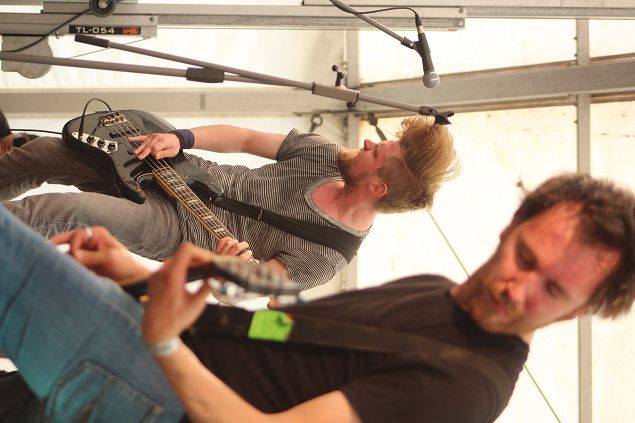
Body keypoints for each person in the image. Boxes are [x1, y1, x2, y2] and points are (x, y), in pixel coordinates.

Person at [1, 172, 633, 422]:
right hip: (158, 359)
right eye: (527, 257)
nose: (517, 288)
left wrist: (165, 342)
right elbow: (275, 335)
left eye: (553, 290)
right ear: (511, 226)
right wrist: (137, 280)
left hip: (157, 393)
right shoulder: (434, 293)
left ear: (578, 311)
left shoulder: (468, 389)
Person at [0, 115, 459, 290]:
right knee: (43, 153)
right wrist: (181, 138)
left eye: (376, 154)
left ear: (378, 188)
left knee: (62, 211)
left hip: (178, 229)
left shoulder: (328, 256)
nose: (366, 144)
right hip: (177, 168)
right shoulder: (325, 155)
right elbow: (243, 138)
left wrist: (231, 269)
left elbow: (239, 290)